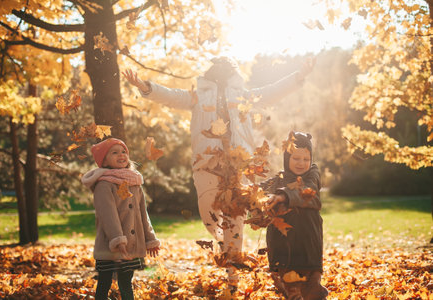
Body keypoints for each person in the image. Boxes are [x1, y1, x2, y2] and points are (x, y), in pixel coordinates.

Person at [122, 57, 314, 288]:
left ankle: (233, 273)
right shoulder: (198, 95)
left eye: (227, 68)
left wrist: (298, 76)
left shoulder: (244, 95)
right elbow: (172, 95)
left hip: (237, 163)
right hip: (207, 162)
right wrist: (145, 86)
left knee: (236, 215)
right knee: (208, 210)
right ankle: (225, 245)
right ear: (210, 73)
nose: (222, 71)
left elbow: (273, 91)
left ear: (233, 74)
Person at [81, 138, 160, 300]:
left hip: (130, 244)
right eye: (114, 152)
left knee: (126, 281)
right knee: (104, 281)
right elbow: (108, 214)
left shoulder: (134, 182)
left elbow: (142, 214)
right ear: (104, 160)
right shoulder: (104, 185)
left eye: (124, 151)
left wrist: (150, 239)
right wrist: (118, 240)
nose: (121, 155)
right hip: (109, 244)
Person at [260, 132, 328, 300]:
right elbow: (258, 191)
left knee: (311, 286)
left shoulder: (313, 175)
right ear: (287, 158)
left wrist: (282, 196)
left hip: (308, 243)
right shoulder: (278, 179)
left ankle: (316, 293)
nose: (301, 163)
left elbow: (307, 189)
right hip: (283, 246)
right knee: (291, 289)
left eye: (306, 159)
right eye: (296, 158)